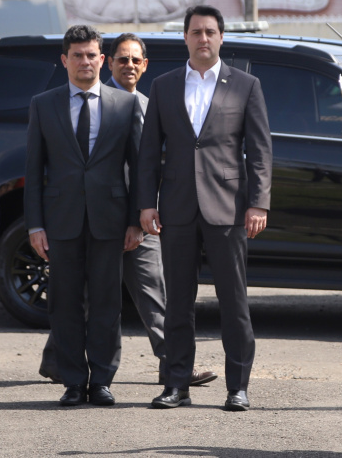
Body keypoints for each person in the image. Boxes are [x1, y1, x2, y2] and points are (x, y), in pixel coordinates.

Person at [38, 33, 217, 388]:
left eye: (136, 60)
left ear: (145, 65)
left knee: (154, 291)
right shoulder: (89, 100)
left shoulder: (152, 104)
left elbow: (149, 166)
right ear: (108, 62)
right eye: (122, 59)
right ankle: (58, 360)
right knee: (80, 294)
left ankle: (174, 364)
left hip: (139, 219)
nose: (129, 66)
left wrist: (143, 216)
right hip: (92, 217)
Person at [138, 5, 272, 411]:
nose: (203, 38)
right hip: (176, 208)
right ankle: (176, 384)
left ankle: (238, 387)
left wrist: (258, 203)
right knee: (178, 302)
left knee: (234, 301)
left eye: (210, 32)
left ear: (221, 37)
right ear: (185, 37)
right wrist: (146, 204)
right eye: (196, 32)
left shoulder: (246, 85)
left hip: (228, 209)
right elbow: (149, 153)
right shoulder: (163, 86)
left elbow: (260, 151)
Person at [25, 24, 143, 407]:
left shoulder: (125, 105)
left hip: (111, 220)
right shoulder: (43, 104)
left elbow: (139, 167)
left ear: (102, 59)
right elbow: (34, 169)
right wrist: (35, 225)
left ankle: (102, 381)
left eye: (91, 55)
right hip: (61, 221)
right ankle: (73, 381)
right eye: (77, 55)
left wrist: (136, 221)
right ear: (64, 60)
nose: (85, 61)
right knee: (64, 304)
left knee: (108, 304)